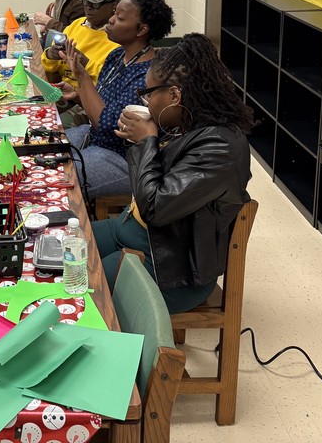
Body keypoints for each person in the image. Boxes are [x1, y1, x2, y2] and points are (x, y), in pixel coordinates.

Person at [94, 34, 253, 314]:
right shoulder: (187, 121)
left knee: (79, 285)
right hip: (135, 235)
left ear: (175, 95)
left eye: (148, 93)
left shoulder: (219, 148)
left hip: (169, 270)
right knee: (60, 242)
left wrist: (146, 142)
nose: (144, 101)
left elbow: (155, 206)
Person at [63, 0, 174, 197]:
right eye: (114, 14)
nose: (111, 20)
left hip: (122, 157)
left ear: (142, 30)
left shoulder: (147, 75)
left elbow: (105, 125)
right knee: (49, 146)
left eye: (120, 18)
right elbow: (102, 105)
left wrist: (82, 76)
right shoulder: (116, 56)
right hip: (95, 137)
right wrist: (78, 95)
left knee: (59, 175)